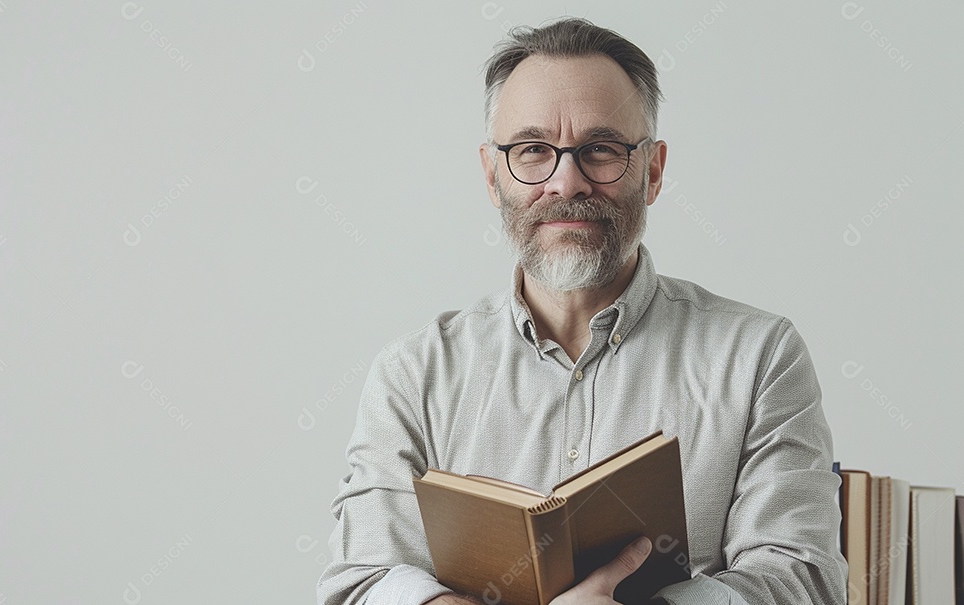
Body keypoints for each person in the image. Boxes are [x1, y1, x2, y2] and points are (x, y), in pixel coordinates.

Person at [317, 17, 848, 605]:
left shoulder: (759, 357)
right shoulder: (413, 374)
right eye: (533, 151)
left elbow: (805, 580)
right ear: (493, 176)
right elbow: (358, 582)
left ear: (653, 171)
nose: (566, 182)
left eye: (600, 149)